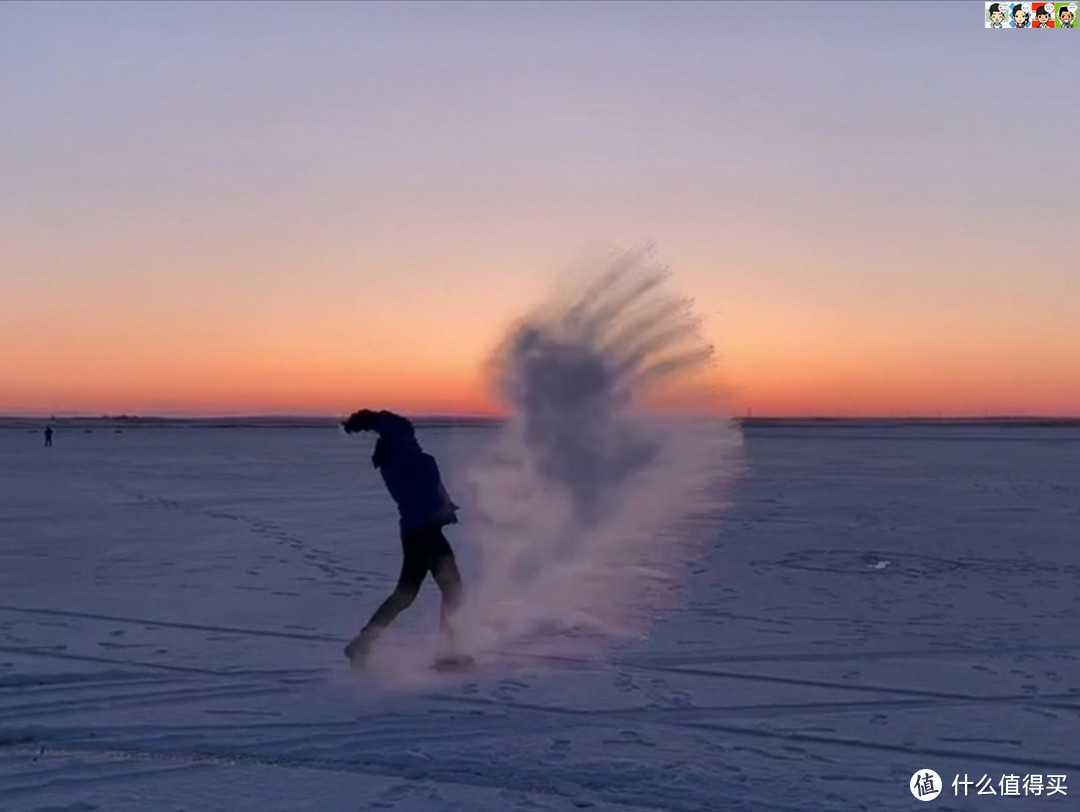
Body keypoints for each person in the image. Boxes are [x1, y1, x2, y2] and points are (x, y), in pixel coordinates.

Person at [341, 409, 465, 666]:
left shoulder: (401, 457)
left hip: (419, 530)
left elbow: (427, 490)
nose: (414, 437)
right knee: (452, 589)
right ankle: (447, 653)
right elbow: (424, 487)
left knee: (406, 593)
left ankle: (362, 644)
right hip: (424, 532)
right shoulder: (401, 457)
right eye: (409, 433)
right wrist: (366, 420)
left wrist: (445, 508)